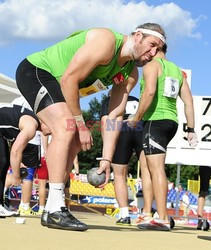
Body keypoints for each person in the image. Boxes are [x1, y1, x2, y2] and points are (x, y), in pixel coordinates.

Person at [15, 23, 165, 231]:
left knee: (75, 140)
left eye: (157, 50)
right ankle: (56, 208)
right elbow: (69, 79)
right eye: (151, 45)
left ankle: (52, 207)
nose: (153, 53)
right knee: (67, 128)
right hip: (37, 71)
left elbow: (114, 116)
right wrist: (80, 124)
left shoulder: (129, 73)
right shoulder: (106, 42)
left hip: (59, 87)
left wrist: (106, 159)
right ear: (138, 36)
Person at [129, 44, 197, 231]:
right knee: (150, 168)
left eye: (147, 48)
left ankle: (163, 217)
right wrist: (191, 128)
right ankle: (148, 212)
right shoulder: (176, 70)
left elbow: (149, 93)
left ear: (155, 48)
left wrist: (136, 119)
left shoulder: (152, 66)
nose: (144, 53)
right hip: (171, 122)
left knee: (156, 169)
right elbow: (188, 101)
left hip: (154, 121)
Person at [101, 90, 143, 226]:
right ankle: (148, 212)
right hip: (139, 126)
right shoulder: (135, 99)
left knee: (119, 175)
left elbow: (105, 122)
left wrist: (106, 151)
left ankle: (125, 214)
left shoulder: (110, 100)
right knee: (149, 171)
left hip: (122, 128)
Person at [0, 104, 47, 217]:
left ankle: (1, 205)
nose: (50, 133)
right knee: (2, 163)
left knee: (4, 162)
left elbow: (13, 147)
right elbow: (15, 151)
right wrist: (16, 176)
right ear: (45, 122)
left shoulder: (29, 121)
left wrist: (18, 163)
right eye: (52, 128)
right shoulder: (31, 126)